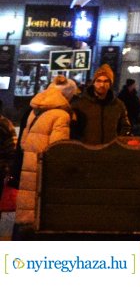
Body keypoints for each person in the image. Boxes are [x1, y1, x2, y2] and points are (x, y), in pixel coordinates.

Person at [16, 76, 76, 232]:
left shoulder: (35, 110)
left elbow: (23, 143)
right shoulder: (62, 115)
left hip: (29, 164)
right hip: (45, 169)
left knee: (26, 210)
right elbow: (58, 150)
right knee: (41, 211)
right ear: (67, 95)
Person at [70, 65, 132, 143]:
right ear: (94, 82)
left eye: (106, 81)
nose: (102, 85)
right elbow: (73, 129)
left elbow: (125, 126)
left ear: (110, 84)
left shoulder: (118, 105)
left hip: (109, 150)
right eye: (99, 81)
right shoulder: (79, 104)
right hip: (87, 150)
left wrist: (117, 142)